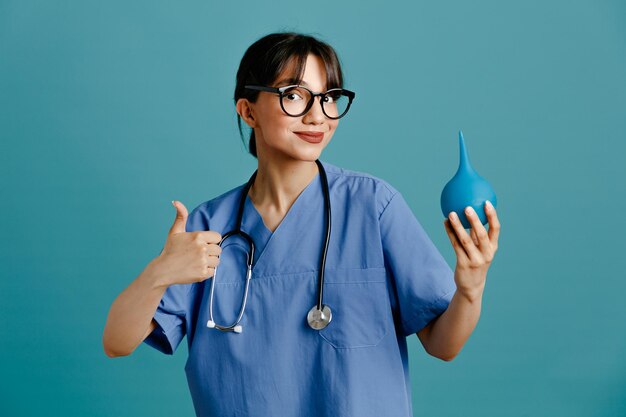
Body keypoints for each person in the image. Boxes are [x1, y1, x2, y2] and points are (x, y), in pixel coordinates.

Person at [102, 31, 500, 417]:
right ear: (248, 110)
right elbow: (117, 343)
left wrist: (470, 286)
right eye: (294, 95)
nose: (317, 115)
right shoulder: (209, 226)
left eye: (328, 98)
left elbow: (444, 345)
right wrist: (158, 274)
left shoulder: (373, 207)